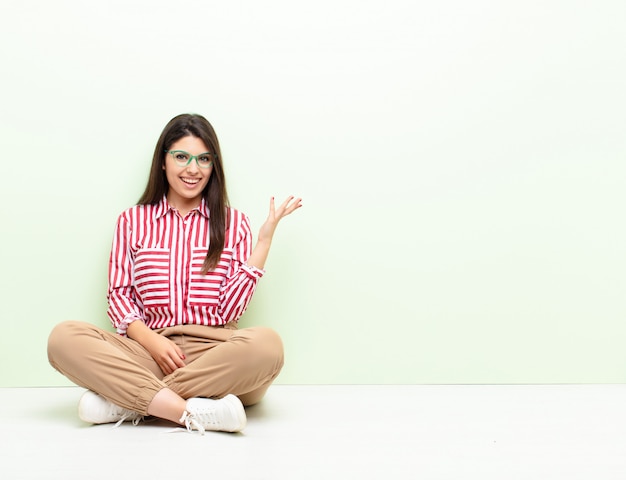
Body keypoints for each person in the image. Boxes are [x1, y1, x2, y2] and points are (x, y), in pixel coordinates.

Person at [47, 113, 302, 434]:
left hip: (217, 358)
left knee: (268, 345)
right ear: (163, 162)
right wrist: (151, 342)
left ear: (213, 166)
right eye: (181, 156)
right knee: (63, 338)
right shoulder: (132, 221)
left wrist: (263, 242)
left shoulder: (233, 222)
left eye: (204, 159)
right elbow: (120, 296)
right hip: (149, 352)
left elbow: (230, 311)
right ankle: (189, 410)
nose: (193, 169)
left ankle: (130, 401)